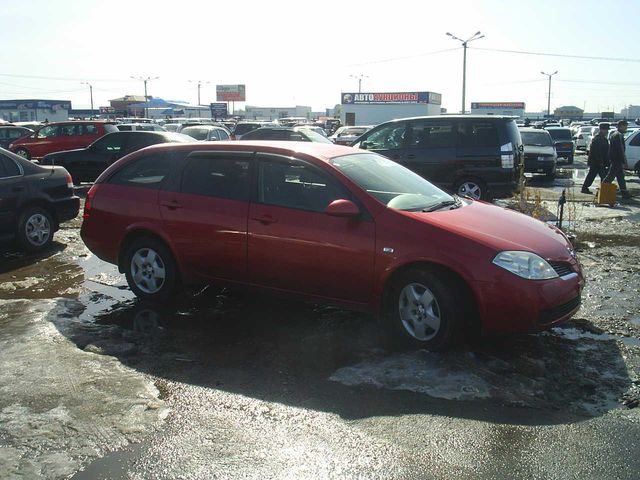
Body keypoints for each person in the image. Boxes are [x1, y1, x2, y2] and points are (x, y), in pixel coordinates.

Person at [602, 120, 632, 199]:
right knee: (610, 177)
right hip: (617, 160)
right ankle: (601, 192)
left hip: (615, 159)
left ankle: (624, 193)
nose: (626, 128)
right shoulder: (618, 135)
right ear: (621, 126)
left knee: (621, 177)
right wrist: (625, 161)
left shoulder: (614, 134)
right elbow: (621, 149)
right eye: (625, 126)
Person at [581, 123, 610, 194]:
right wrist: (600, 162)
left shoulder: (602, 139)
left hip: (599, 161)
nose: (607, 131)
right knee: (601, 176)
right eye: (605, 130)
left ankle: (602, 189)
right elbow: (597, 152)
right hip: (596, 162)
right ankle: (603, 190)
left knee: (595, 175)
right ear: (601, 130)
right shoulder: (598, 139)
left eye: (607, 130)